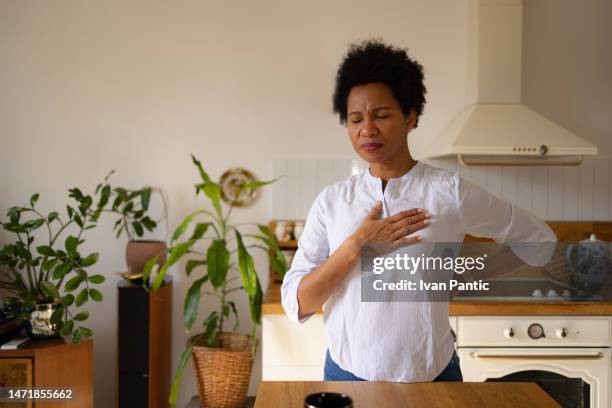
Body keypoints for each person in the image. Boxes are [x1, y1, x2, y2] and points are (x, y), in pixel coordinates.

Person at [280, 39, 556, 383]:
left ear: (410, 117)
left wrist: (466, 275)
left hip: (432, 376)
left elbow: (539, 240)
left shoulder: (448, 192)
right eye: (355, 119)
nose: (367, 129)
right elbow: (297, 303)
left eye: (381, 115)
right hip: (347, 374)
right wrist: (357, 245)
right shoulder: (331, 201)